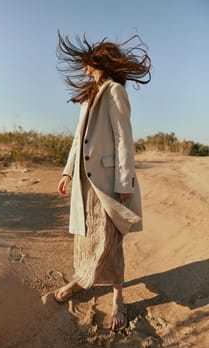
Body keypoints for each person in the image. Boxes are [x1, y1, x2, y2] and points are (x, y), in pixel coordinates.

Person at [55, 32, 151, 331]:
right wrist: (67, 171)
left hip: (107, 182)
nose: (84, 66)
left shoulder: (114, 92)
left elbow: (124, 138)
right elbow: (77, 139)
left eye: (88, 62)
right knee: (85, 237)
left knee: (110, 241)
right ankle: (82, 279)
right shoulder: (90, 94)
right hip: (85, 182)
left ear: (98, 62)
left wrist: (124, 183)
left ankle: (118, 298)